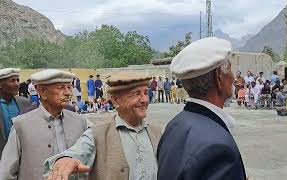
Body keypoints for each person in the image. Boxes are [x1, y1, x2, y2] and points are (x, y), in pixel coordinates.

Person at [44, 71, 162, 180]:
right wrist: (65, 160)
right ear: (116, 101)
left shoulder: (156, 132)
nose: (144, 100)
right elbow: (78, 152)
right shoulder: (97, 134)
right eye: (136, 94)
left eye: (146, 93)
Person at [157, 37, 246, 180]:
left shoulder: (174, 125)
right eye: (230, 70)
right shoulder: (219, 148)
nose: (234, 77)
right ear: (219, 78)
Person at [0, 69, 89, 180]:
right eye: (61, 87)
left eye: (69, 87)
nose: (68, 92)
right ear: (42, 92)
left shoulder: (80, 121)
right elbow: (6, 173)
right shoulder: (21, 125)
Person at [0, 68, 31, 154]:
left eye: (18, 80)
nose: (17, 84)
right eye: (12, 81)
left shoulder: (24, 103)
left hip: (22, 153)